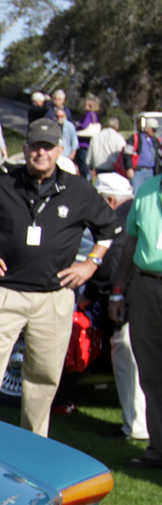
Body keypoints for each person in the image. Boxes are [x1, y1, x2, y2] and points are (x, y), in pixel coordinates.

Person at [0, 117, 121, 436]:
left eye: (48, 146)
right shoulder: (2, 185)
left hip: (54, 297)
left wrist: (89, 265)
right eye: (35, 146)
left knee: (43, 377)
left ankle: (32, 446)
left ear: (61, 150)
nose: (41, 152)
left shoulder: (79, 191)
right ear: (25, 148)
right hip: (6, 294)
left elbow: (109, 230)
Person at [109, 169, 162, 467]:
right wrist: (117, 291)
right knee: (152, 373)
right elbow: (131, 242)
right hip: (146, 286)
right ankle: (157, 450)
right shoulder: (147, 190)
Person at [91, 173, 146, 443]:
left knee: (129, 362)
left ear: (110, 200)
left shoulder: (119, 221)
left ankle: (135, 425)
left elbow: (111, 266)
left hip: (133, 302)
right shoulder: (137, 210)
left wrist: (97, 292)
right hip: (143, 297)